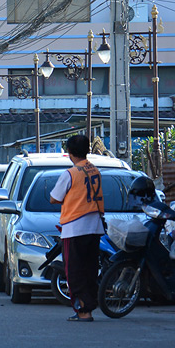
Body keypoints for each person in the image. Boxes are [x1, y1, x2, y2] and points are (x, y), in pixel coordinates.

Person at [50, 134, 105, 322]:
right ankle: (88, 307)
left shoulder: (70, 174)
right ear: (88, 150)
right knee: (90, 270)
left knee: (74, 271)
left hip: (74, 227)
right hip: (95, 226)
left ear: (69, 152)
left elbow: (54, 198)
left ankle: (84, 310)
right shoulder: (95, 171)